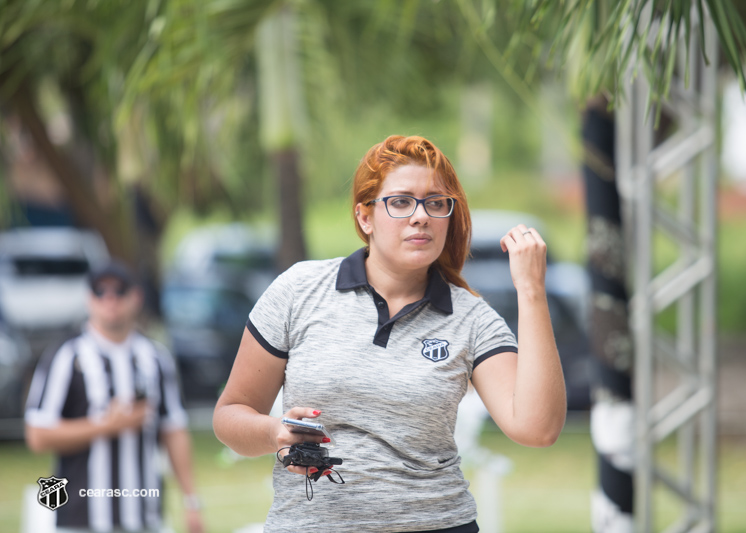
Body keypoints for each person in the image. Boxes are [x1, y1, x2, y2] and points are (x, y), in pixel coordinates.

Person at [213, 135, 567, 532]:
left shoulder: (471, 318)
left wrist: (532, 291)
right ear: (365, 216)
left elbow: (537, 428)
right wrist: (274, 432)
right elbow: (230, 415)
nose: (421, 216)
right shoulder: (299, 289)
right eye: (400, 202)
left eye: (436, 203)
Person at [25, 260, 205, 533]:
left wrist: (191, 500)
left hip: (144, 514)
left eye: (119, 291)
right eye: (100, 291)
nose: (110, 300)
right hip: (80, 516)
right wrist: (106, 425)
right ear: (89, 299)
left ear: (136, 297)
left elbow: (174, 431)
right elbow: (37, 434)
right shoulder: (66, 356)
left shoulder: (155, 358)